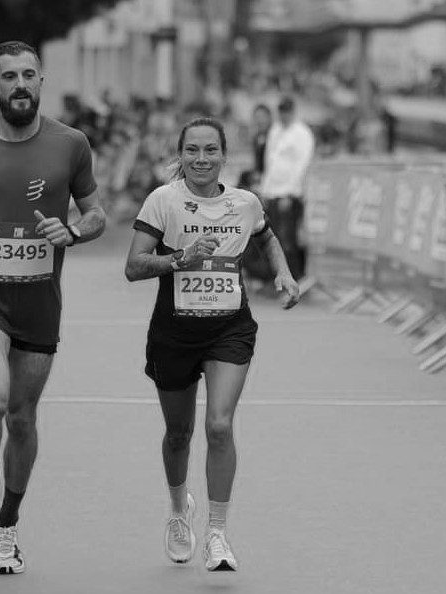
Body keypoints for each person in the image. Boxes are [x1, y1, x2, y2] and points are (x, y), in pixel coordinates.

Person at [0, 40, 105, 576]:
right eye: (8, 76)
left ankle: (7, 522)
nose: (20, 84)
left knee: (23, 418)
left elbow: (96, 213)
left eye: (29, 74)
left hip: (39, 301)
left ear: (41, 80)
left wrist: (73, 231)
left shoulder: (71, 144)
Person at [125, 117, 300, 571]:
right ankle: (179, 511)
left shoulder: (244, 203)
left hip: (230, 329)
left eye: (210, 151)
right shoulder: (163, 201)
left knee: (219, 426)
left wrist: (283, 272)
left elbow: (267, 237)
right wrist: (182, 257)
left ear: (225, 156)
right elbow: (134, 265)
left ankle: (218, 534)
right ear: (180, 156)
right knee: (179, 433)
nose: (201, 159)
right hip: (174, 332)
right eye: (192, 151)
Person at [259, 96, 314, 280]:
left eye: (287, 111)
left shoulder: (302, 133)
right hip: (273, 191)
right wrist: (265, 189)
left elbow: (301, 166)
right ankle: (277, 277)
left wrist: (290, 193)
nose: (284, 115)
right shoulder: (275, 130)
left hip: (289, 194)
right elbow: (270, 162)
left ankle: (296, 277)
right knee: (273, 239)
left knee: (289, 239)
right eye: (281, 111)